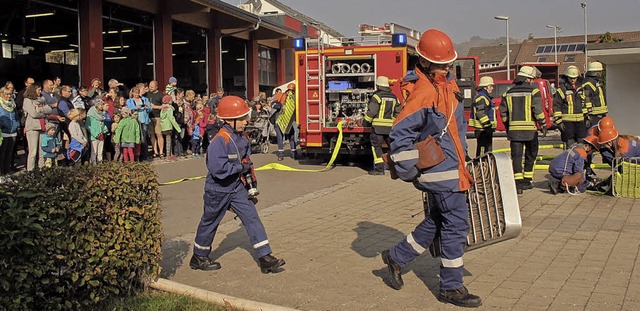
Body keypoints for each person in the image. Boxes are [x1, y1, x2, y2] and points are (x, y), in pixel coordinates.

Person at [381, 29, 481, 308]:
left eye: (449, 63)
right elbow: (399, 134)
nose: (447, 68)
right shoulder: (425, 91)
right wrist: (407, 170)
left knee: (439, 221)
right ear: (425, 62)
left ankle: (397, 257)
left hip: (452, 169)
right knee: (456, 224)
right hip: (443, 174)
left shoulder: (446, 85)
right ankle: (451, 287)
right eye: (441, 64)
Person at [191, 95, 285, 273]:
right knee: (210, 222)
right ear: (229, 120)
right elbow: (218, 169)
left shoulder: (242, 137)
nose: (245, 121)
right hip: (217, 189)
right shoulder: (220, 140)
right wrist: (240, 167)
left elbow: (246, 160)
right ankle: (199, 256)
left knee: (251, 217)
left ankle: (265, 257)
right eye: (241, 118)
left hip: (236, 188)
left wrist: (250, 183)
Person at [500, 65, 547, 194]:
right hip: (530, 131)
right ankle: (527, 180)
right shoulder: (534, 92)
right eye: (532, 79)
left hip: (514, 132)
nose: (532, 82)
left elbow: (503, 114)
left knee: (516, 156)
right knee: (531, 155)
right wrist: (543, 125)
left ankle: (518, 182)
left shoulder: (507, 93)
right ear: (527, 79)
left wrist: (508, 127)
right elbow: (537, 111)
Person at [363, 76, 400, 175]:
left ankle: (379, 170)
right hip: (390, 128)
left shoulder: (376, 97)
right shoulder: (394, 97)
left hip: (378, 128)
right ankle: (396, 169)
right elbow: (398, 113)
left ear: (378, 86)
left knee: (376, 147)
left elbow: (372, 112)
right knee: (392, 147)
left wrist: (365, 122)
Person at [554, 65, 587, 149]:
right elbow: (556, 106)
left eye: (575, 78)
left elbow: (584, 104)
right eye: (571, 77)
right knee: (569, 144)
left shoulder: (581, 89)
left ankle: (580, 161)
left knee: (581, 143)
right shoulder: (561, 90)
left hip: (580, 121)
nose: (573, 80)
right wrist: (559, 121)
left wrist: (587, 117)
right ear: (567, 77)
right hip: (567, 122)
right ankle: (568, 161)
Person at [23, 83, 54, 171]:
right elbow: (33, 114)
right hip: (32, 127)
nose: (40, 92)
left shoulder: (42, 100)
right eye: (38, 90)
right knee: (33, 152)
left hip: (42, 127)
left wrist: (40, 109)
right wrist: (43, 112)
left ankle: (41, 168)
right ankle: (30, 171)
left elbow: (49, 110)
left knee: (42, 151)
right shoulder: (27, 100)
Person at [469, 76, 497, 157]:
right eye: (491, 86)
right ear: (485, 87)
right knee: (482, 152)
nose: (492, 88)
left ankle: (485, 165)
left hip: (485, 128)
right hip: (483, 129)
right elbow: (480, 113)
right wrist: (488, 125)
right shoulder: (482, 98)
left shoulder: (484, 97)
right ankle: (481, 166)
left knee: (487, 151)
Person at [274, 83, 298, 161]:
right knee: (286, 137)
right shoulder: (283, 96)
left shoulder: (284, 96)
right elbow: (274, 105)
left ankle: (290, 153)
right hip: (281, 120)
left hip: (284, 120)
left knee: (286, 137)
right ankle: (289, 154)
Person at [582, 61, 608, 126]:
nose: (601, 74)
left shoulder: (596, 83)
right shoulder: (588, 84)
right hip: (593, 115)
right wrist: (588, 115)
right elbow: (586, 99)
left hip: (600, 114)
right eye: (600, 72)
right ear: (596, 72)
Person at [0, 87, 19, 175]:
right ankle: (1, 173)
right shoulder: (0, 104)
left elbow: (16, 116)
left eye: (9, 94)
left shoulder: (13, 104)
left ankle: (7, 173)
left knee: (9, 154)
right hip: (3, 132)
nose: (8, 96)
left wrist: (17, 125)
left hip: (13, 132)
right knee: (2, 155)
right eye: (6, 94)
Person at [86, 98, 109, 165]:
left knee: (100, 151)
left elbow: (102, 124)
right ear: (96, 105)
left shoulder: (101, 114)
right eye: (100, 105)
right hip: (94, 136)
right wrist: (95, 134)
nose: (102, 106)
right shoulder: (91, 114)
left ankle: (100, 163)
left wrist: (105, 130)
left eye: (102, 105)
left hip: (101, 135)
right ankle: (93, 164)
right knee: (94, 151)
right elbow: (88, 126)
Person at [160, 95, 181, 161]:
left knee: (168, 141)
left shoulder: (163, 109)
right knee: (169, 141)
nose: (172, 101)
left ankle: (170, 154)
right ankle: (168, 156)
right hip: (168, 126)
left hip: (163, 126)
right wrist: (178, 128)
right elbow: (171, 118)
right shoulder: (169, 109)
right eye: (171, 100)